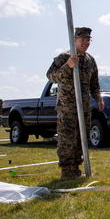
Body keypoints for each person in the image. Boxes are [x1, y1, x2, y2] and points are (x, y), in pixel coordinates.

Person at [46, 27, 104, 179]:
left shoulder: (90, 60)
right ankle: (66, 170)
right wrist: (68, 66)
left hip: (84, 107)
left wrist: (98, 98)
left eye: (88, 40)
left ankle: (76, 168)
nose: (85, 42)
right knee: (67, 138)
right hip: (67, 107)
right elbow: (51, 76)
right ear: (75, 40)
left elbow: (94, 84)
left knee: (81, 137)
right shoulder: (64, 57)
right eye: (82, 39)